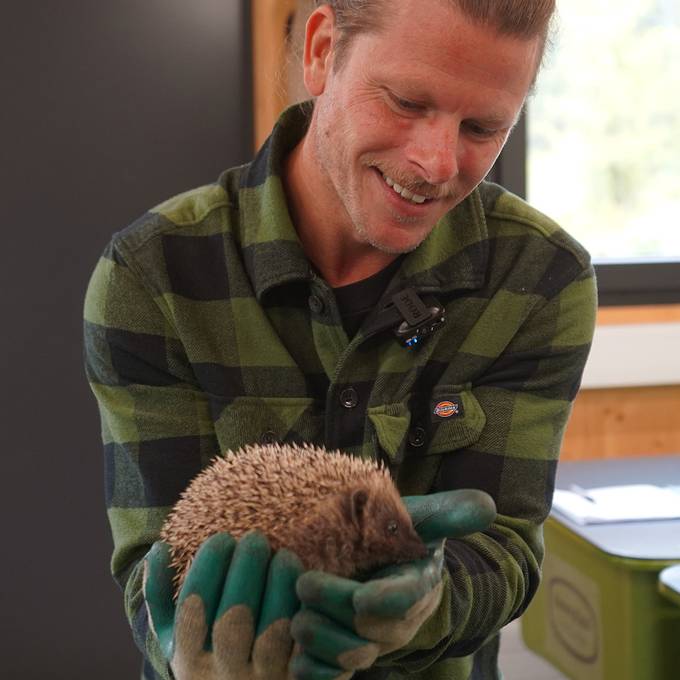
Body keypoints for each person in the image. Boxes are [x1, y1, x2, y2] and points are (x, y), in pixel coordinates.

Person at [83, 1, 597, 679]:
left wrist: (424, 602)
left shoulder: (540, 278)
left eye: (483, 126)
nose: (436, 163)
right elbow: (156, 567)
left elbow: (502, 551)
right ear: (323, 50)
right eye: (407, 100)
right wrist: (188, 650)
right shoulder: (152, 276)